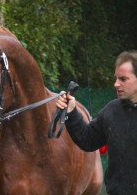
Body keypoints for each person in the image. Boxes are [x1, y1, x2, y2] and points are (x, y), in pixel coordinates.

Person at [56, 50, 137, 195]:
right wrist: (72, 112)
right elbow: (87, 139)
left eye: (123, 79)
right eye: (116, 78)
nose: (116, 84)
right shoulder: (112, 111)